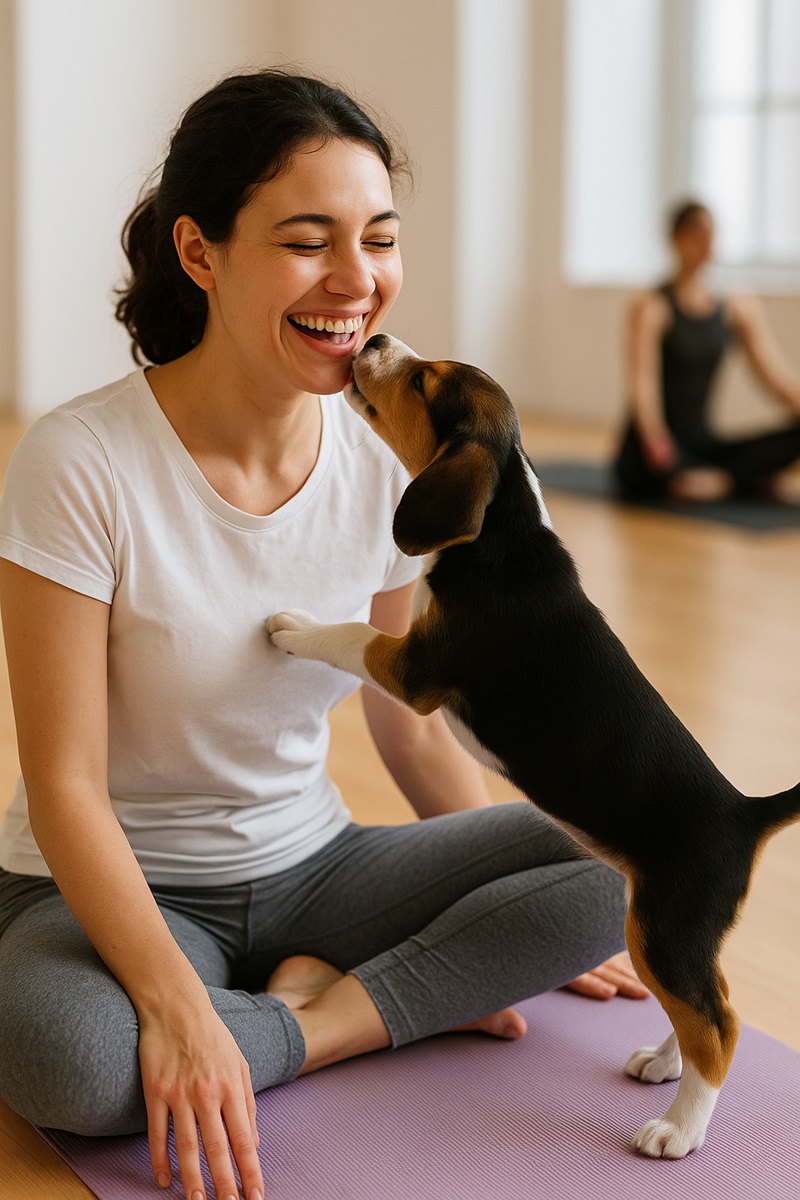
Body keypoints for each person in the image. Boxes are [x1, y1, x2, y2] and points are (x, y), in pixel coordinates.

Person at [0, 70, 641, 1200]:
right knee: (85, 1071)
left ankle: (317, 1010)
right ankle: (339, 1006)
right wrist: (173, 1006)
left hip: (314, 866)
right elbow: (64, 785)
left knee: (613, 869)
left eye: (379, 240)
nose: (357, 283)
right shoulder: (78, 460)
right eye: (309, 242)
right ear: (200, 254)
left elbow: (408, 723)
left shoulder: (388, 459)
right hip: (109, 886)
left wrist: (527, 910)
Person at [614, 199, 800, 501]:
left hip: (701, 443)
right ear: (676, 240)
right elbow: (642, 388)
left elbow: (775, 378)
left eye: (711, 233)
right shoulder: (651, 306)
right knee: (669, 477)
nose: (707, 242)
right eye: (697, 234)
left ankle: (723, 480)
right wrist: (656, 443)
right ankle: (739, 480)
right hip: (653, 446)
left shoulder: (737, 308)